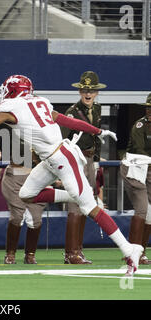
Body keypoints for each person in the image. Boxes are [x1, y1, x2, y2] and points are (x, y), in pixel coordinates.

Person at [0, 74, 144, 275]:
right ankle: (74, 195)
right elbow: (65, 120)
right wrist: (95, 130)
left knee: (89, 208)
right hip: (49, 160)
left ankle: (129, 250)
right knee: (27, 194)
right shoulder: (39, 102)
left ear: (13, 91)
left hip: (63, 159)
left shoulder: (13, 108)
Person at [60, 70, 106, 264]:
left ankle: (77, 250)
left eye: (91, 90)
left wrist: (95, 159)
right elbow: (60, 139)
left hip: (88, 160)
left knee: (86, 203)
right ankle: (71, 253)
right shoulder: (71, 113)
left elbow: (94, 137)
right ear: (80, 91)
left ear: (96, 92)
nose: (88, 93)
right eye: (84, 90)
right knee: (75, 203)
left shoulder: (97, 109)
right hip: (74, 160)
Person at [2, 140, 46, 265]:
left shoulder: (45, 132)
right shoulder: (16, 130)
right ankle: (10, 254)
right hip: (16, 174)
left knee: (35, 219)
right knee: (17, 216)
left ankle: (30, 255)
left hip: (36, 176)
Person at [119, 93, 151, 265]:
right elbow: (140, 151)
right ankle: (131, 252)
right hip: (134, 168)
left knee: (150, 213)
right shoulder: (140, 126)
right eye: (148, 107)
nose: (149, 111)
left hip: (148, 168)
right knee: (142, 209)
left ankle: (141, 252)